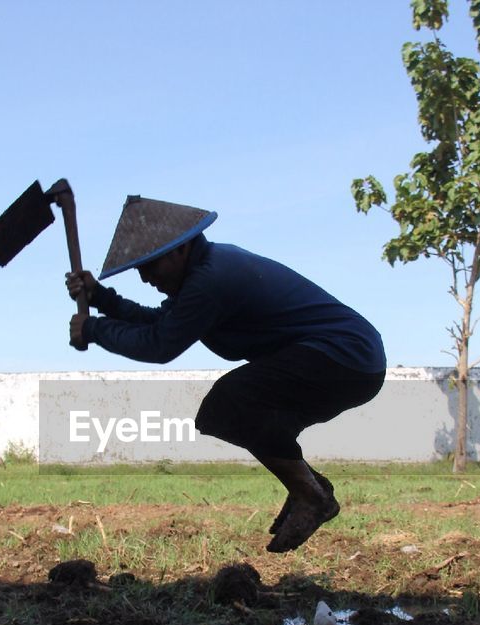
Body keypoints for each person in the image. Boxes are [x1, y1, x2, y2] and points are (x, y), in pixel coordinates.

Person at [66, 194, 385, 552]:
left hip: (346, 357)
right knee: (245, 412)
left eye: (151, 266)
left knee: (230, 403)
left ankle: (310, 494)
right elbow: (161, 322)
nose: (145, 278)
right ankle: (310, 489)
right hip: (349, 360)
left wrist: (94, 330)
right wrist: (103, 300)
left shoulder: (210, 280)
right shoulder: (204, 273)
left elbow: (159, 345)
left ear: (179, 250)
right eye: (139, 269)